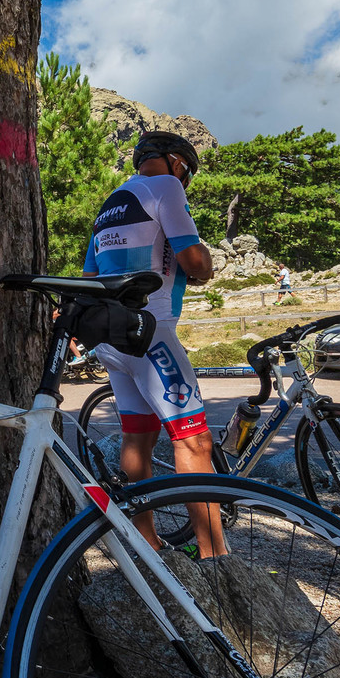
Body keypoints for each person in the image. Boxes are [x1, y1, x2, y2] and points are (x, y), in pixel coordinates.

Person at [83, 131, 224, 555]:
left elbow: (90, 278)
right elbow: (194, 261)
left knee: (137, 438)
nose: (186, 181)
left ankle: (147, 547)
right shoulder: (166, 186)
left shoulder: (111, 203)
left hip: (111, 336)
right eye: (188, 172)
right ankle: (215, 557)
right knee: (194, 440)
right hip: (150, 331)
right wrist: (206, 264)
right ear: (176, 162)